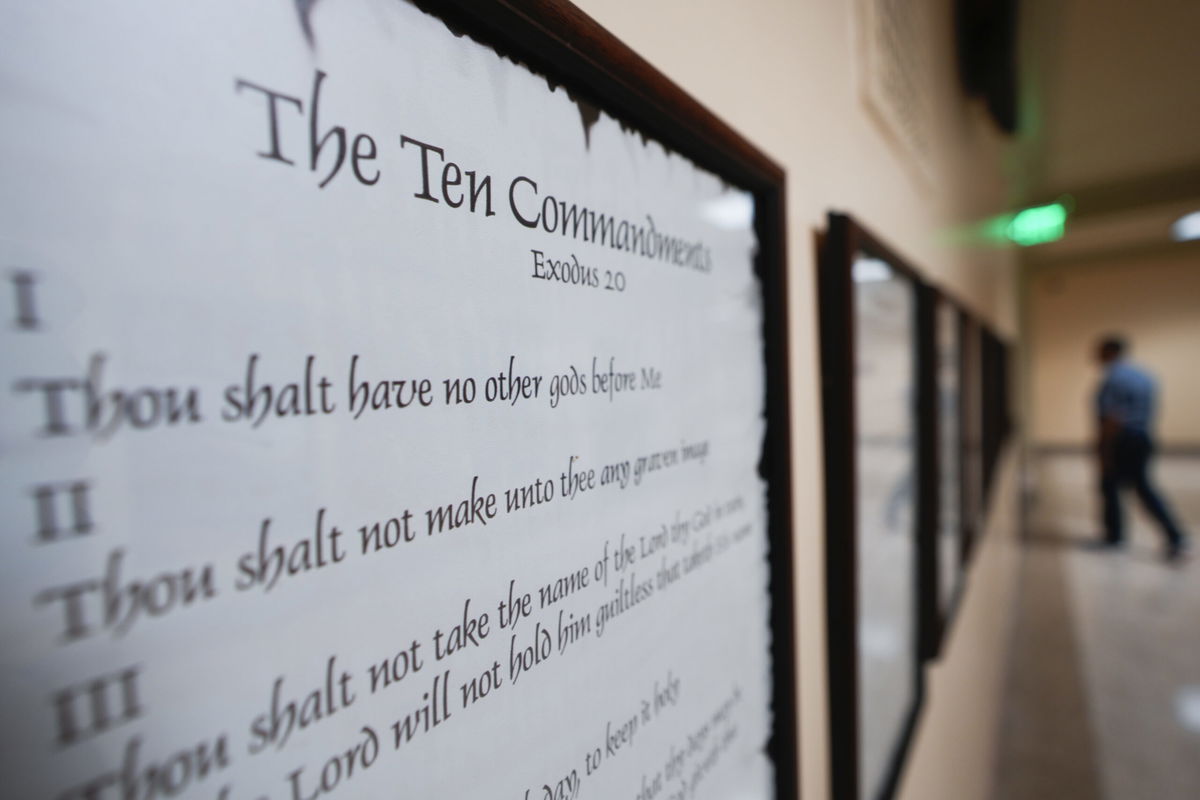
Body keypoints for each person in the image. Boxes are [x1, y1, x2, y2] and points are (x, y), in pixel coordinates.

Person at [1094, 335, 1190, 561]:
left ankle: (1173, 536)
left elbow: (1112, 418)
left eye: (1099, 351)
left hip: (1122, 440)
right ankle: (1118, 535)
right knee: (1131, 487)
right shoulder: (1144, 376)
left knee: (1126, 486)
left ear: (1110, 351)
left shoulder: (1113, 378)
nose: (1095, 357)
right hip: (1142, 437)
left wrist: (1104, 450)